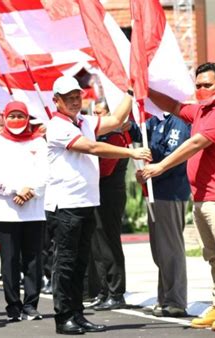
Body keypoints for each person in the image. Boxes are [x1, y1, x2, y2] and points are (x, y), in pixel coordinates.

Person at [143, 62, 215, 331]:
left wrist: (160, 166)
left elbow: (194, 143)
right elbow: (174, 106)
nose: (201, 90)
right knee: (213, 256)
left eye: (207, 85)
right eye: (198, 85)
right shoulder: (202, 110)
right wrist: (143, 89)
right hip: (203, 197)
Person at [45, 76, 152, 335]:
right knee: (67, 264)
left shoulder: (84, 121)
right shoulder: (57, 126)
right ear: (55, 100)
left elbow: (116, 121)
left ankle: (78, 315)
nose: (73, 101)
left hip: (86, 202)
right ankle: (64, 317)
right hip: (65, 205)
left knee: (81, 263)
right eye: (67, 97)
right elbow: (91, 147)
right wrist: (131, 152)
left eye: (76, 96)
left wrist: (130, 91)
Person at [0, 101, 49, 322]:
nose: (15, 120)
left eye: (20, 115)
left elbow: (46, 171)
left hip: (34, 209)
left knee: (34, 259)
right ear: (4, 117)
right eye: (11, 116)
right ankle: (13, 305)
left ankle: (31, 305)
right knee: (9, 259)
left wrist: (31, 191)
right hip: (6, 209)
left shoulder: (39, 142)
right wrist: (13, 190)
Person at [86, 100, 139, 311]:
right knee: (97, 245)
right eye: (95, 113)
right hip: (97, 194)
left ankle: (116, 291)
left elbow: (104, 169)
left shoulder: (116, 137)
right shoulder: (99, 137)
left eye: (101, 112)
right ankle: (103, 289)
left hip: (109, 195)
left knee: (108, 242)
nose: (98, 116)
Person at [136, 113, 191, 317]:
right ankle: (165, 298)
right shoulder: (154, 119)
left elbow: (173, 156)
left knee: (170, 248)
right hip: (155, 191)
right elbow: (135, 130)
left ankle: (176, 300)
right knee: (159, 250)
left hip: (171, 192)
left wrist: (151, 170)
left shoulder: (177, 121)